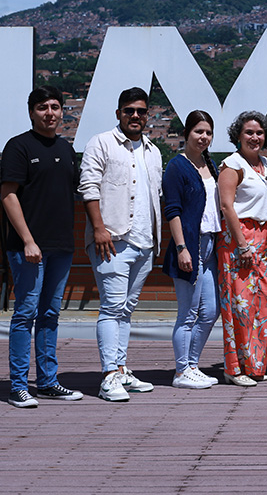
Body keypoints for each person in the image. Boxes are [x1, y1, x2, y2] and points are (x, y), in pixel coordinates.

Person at [1, 86, 83, 408]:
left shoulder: (66, 148)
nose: (49, 113)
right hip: (29, 248)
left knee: (50, 315)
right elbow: (8, 195)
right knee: (25, 313)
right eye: (42, 108)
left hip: (61, 245)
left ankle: (48, 382)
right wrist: (27, 241)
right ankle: (18, 386)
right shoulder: (18, 147)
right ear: (31, 112)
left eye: (54, 107)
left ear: (62, 111)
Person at [79, 87, 162, 402]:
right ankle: (108, 375)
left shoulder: (153, 150)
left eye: (141, 111)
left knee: (126, 310)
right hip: (111, 240)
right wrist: (98, 229)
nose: (136, 116)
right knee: (112, 308)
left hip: (144, 243)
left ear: (147, 114)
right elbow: (88, 186)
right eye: (129, 110)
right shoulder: (100, 143)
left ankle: (121, 368)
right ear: (119, 113)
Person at [217, 111, 267, 387]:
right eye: (249, 133)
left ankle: (255, 365)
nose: (255, 138)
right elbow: (226, 205)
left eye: (259, 133)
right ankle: (234, 368)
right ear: (238, 136)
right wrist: (242, 244)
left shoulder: (266, 164)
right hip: (240, 238)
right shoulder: (232, 166)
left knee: (263, 304)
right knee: (239, 305)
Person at [162, 110, 221, 389]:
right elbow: (172, 210)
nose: (204, 137)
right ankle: (181, 371)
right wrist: (181, 248)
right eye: (198, 131)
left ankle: (192, 365)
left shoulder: (212, 165)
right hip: (190, 245)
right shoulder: (177, 166)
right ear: (187, 133)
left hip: (210, 246)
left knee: (210, 311)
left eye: (208, 132)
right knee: (187, 313)